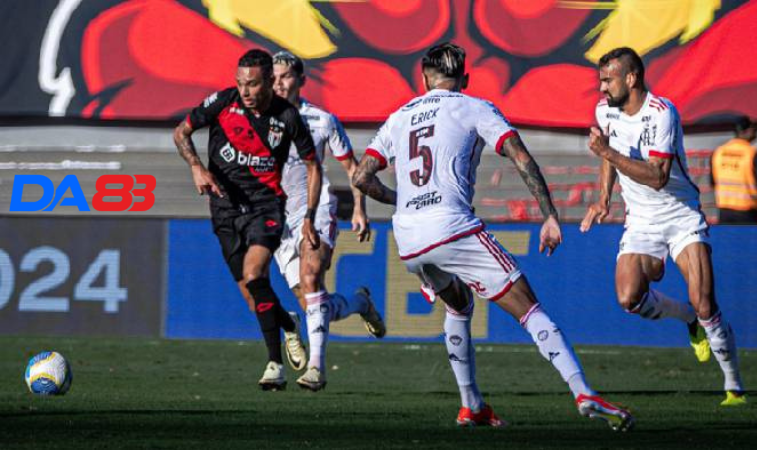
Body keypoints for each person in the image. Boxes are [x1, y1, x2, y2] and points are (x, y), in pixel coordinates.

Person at [353, 42, 634, 431]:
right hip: (451, 225)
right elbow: (520, 156)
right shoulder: (474, 106)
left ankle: (472, 406)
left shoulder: (400, 116)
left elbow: (361, 176)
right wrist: (550, 215)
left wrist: (401, 202)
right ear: (464, 79)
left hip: (408, 235)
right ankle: (582, 391)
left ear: (423, 79)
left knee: (458, 305)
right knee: (529, 307)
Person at [580, 47, 745, 406]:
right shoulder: (604, 111)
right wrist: (603, 199)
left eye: (608, 80)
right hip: (641, 220)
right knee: (629, 298)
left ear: (631, 78)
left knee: (705, 303)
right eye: (600, 81)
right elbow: (609, 155)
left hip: (680, 215)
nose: (602, 88)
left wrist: (606, 153)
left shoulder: (662, 113)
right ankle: (685, 317)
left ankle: (734, 386)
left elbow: (657, 177)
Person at [173, 49, 319, 391]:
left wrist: (309, 215)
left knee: (255, 274)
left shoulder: (287, 116)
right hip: (224, 208)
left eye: (253, 84)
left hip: (266, 207)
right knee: (253, 296)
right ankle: (288, 324)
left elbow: (313, 165)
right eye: (241, 84)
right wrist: (196, 166)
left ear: (269, 81)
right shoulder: (223, 102)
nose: (246, 92)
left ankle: (274, 365)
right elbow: (181, 132)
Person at [270, 51, 386, 391]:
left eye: (286, 76)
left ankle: (316, 370)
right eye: (274, 76)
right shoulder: (258, 119)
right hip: (278, 217)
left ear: (301, 80)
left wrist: (360, 209)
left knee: (310, 276)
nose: (279, 82)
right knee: (313, 304)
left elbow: (354, 171)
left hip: (316, 207)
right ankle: (360, 302)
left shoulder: (322, 120)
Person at [711, 116, 757, 224]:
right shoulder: (752, 153)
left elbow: (713, 181)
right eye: (754, 129)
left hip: (724, 210)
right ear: (747, 130)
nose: (756, 132)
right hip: (747, 210)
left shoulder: (719, 151)